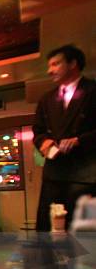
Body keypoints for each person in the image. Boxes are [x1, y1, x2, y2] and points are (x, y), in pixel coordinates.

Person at [33, 44, 96, 231]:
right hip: (54, 171)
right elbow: (38, 130)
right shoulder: (46, 99)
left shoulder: (93, 91)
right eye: (49, 65)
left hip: (86, 172)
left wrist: (80, 140)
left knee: (82, 230)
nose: (49, 70)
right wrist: (43, 141)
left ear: (73, 64)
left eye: (55, 64)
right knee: (49, 227)